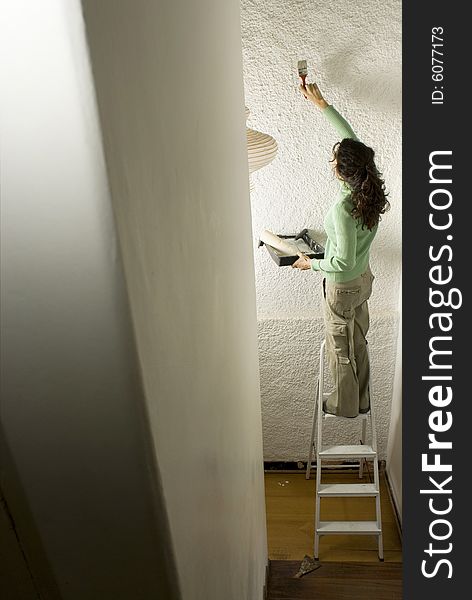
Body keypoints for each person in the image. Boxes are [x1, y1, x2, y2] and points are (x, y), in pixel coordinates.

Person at [292, 80, 390, 418]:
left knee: (341, 348)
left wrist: (311, 264)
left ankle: (345, 405)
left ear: (340, 170)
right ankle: (361, 400)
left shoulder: (343, 209)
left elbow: (342, 259)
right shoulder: (366, 178)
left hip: (344, 285)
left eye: (333, 158)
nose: (330, 160)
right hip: (362, 280)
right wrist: (322, 105)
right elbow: (350, 138)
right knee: (357, 340)